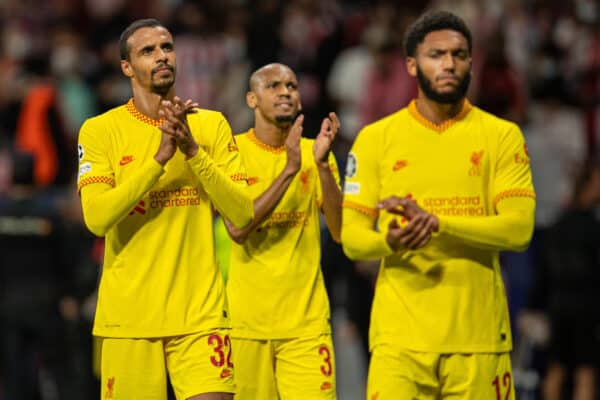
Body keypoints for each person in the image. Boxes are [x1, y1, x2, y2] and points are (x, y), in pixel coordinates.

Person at [341, 11, 536, 399]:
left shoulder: (501, 136)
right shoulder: (375, 139)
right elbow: (352, 239)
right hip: (399, 342)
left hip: (478, 340)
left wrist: (438, 224)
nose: (448, 63)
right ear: (412, 64)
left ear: (470, 63)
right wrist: (390, 242)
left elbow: (519, 230)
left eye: (459, 54)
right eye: (436, 54)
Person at [76, 18, 253, 400]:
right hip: (130, 320)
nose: (161, 57)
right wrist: (158, 161)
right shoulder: (99, 131)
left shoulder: (210, 125)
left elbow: (242, 213)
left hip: (200, 316)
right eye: (148, 51)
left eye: (167, 48)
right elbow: (96, 218)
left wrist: (193, 152)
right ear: (126, 67)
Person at [224, 63, 342, 399]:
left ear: (301, 101)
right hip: (247, 326)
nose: (285, 92)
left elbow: (340, 231)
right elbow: (238, 228)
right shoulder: (231, 151)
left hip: (306, 325)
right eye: (273, 85)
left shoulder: (315, 152)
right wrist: (290, 171)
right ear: (251, 99)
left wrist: (320, 167)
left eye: (291, 86)